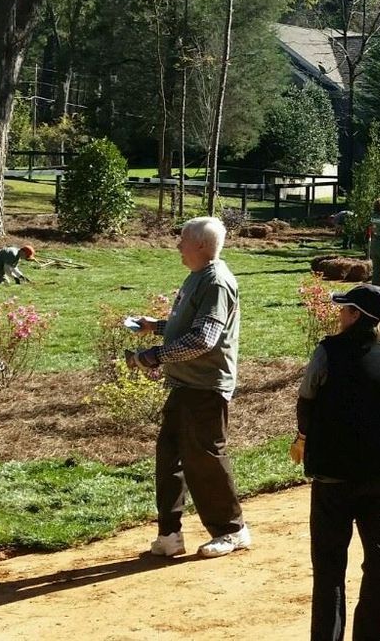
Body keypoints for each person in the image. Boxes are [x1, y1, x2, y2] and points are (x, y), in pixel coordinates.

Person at [293, 284, 380, 641]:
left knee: (329, 562)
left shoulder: (329, 350)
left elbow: (306, 398)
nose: (340, 314)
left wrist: (303, 438)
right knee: (379, 553)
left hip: (336, 472)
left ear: (357, 315)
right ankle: (374, 635)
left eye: (345, 309)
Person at [129, 217, 250, 559]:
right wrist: (158, 326)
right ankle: (170, 535)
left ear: (201, 244)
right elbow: (191, 325)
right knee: (169, 458)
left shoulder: (216, 281)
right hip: (186, 384)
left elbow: (204, 339)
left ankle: (232, 530)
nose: (178, 245)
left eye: (183, 240)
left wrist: (153, 356)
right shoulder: (198, 277)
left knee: (206, 459)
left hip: (206, 386)